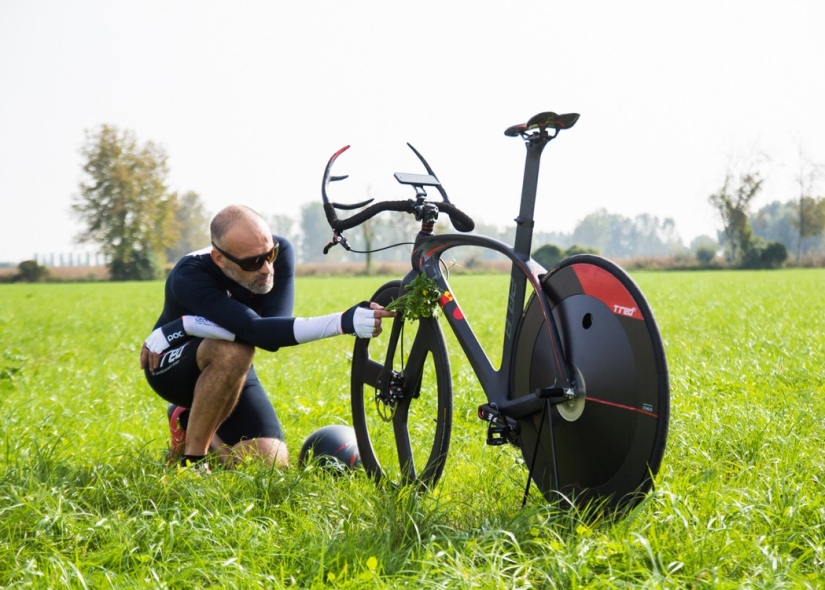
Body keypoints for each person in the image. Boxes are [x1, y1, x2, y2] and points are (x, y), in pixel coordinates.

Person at [140, 205, 393, 470]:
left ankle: (187, 420)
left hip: (229, 367)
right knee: (236, 351)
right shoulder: (188, 275)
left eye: (270, 254)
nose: (267, 268)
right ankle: (193, 462)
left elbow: (270, 329)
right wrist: (344, 321)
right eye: (252, 262)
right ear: (220, 259)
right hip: (171, 365)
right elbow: (258, 332)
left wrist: (188, 324)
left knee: (269, 465)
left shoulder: (280, 252)